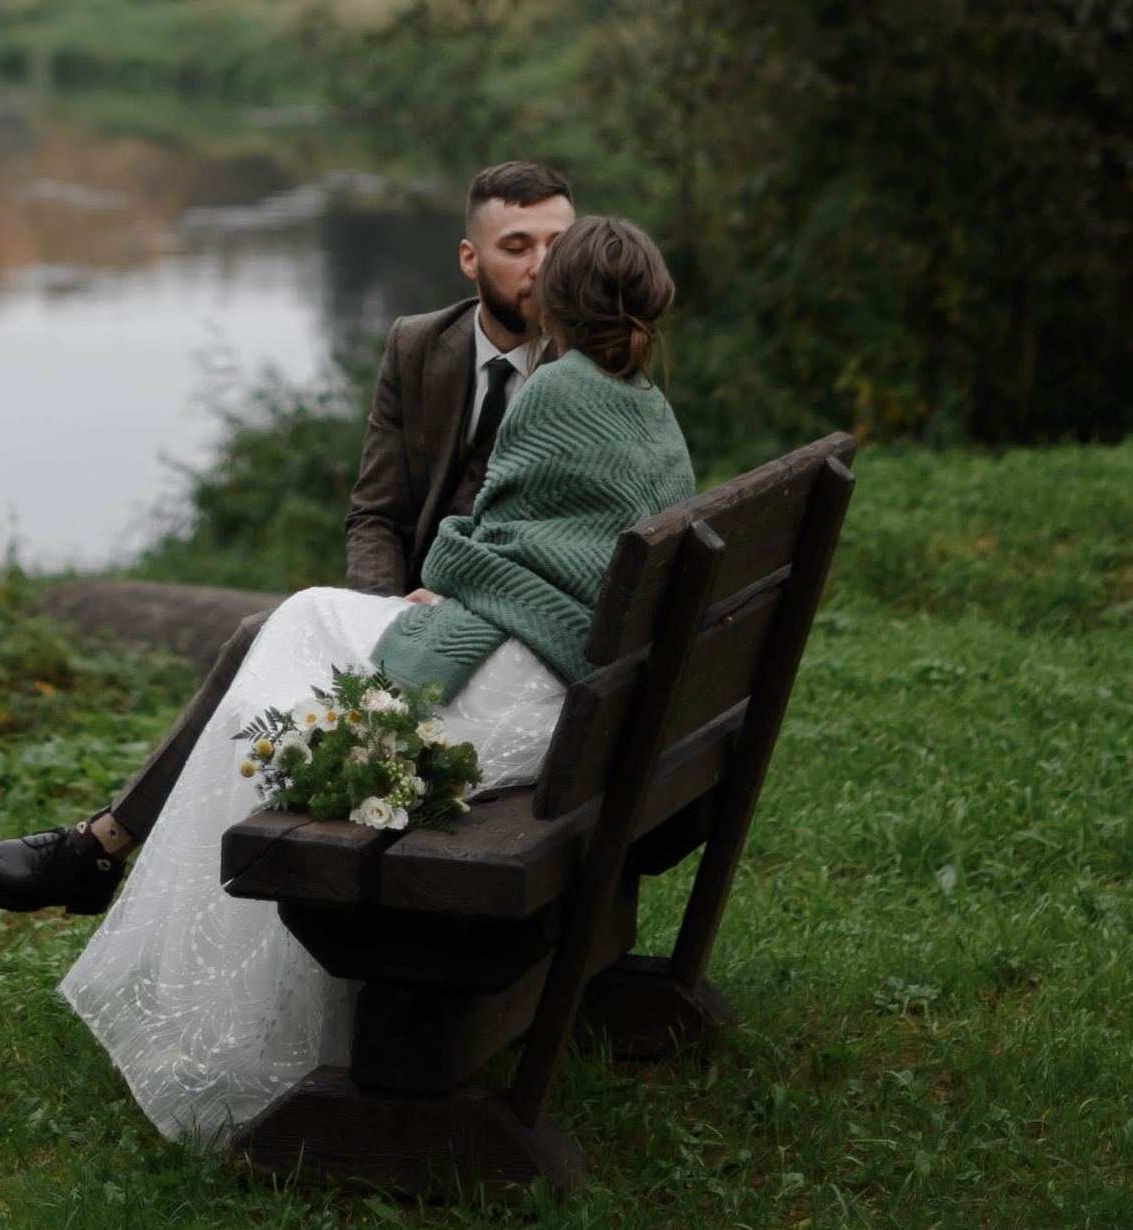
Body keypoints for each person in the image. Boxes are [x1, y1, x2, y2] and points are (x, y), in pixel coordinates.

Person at [56, 211, 693, 1147]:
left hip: (532, 692)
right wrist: (458, 573)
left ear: (561, 300)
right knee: (300, 640)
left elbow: (491, 548)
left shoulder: (557, 389)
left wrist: (446, 571)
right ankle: (219, 942)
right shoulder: (648, 403)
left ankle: (223, 1011)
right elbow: (553, 546)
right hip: (588, 697)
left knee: (299, 638)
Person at [0, 160, 580, 916]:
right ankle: (113, 853)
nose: (542, 265)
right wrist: (379, 625)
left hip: (508, 643)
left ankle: (97, 847)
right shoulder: (418, 345)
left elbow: (564, 548)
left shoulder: (588, 371)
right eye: (517, 244)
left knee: (262, 637)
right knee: (282, 652)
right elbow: (375, 512)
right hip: (410, 625)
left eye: (558, 244)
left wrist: (427, 617)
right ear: (470, 257)